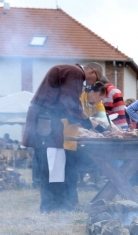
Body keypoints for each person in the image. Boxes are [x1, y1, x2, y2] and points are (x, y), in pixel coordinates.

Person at [22, 64, 92, 212]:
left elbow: (65, 101)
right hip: (45, 121)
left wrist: (81, 119)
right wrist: (88, 121)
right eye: (93, 79)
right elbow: (70, 101)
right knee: (49, 163)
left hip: (49, 120)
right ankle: (49, 206)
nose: (89, 85)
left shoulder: (70, 70)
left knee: (55, 163)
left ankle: (57, 204)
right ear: (91, 71)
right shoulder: (76, 72)